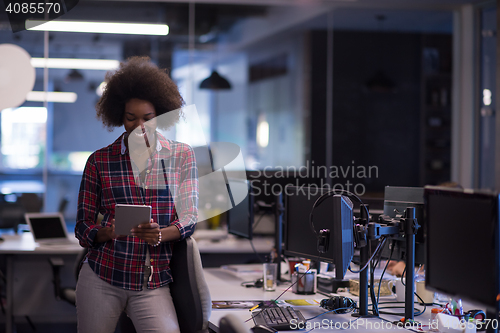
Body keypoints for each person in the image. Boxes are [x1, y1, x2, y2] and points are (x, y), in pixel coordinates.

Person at [75, 56, 198, 333]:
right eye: (131, 118)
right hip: (102, 278)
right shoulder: (99, 161)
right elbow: (82, 227)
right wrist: (106, 232)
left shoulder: (181, 156)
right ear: (120, 115)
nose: (139, 126)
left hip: (152, 283)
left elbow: (190, 218)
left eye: (148, 118)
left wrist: (160, 234)